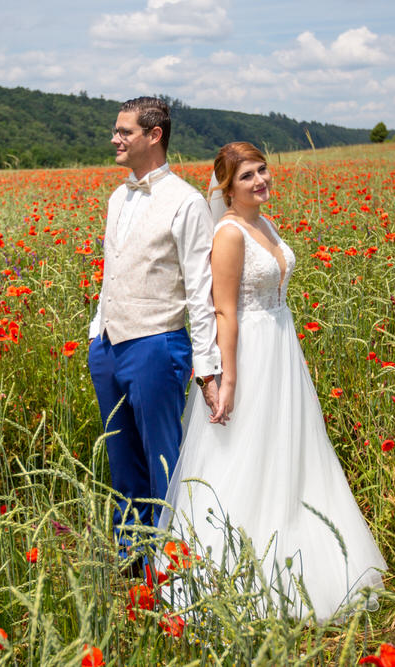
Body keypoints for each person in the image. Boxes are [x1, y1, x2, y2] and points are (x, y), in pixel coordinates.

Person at [158, 142, 386, 621]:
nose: (260, 180)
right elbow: (224, 310)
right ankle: (235, 573)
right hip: (249, 354)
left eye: (263, 170)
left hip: (282, 346)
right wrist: (230, 380)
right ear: (227, 186)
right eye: (247, 176)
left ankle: (301, 548)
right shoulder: (230, 233)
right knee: (245, 451)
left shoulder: (263, 222)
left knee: (292, 450)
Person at [88, 97, 222, 566]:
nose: (115, 139)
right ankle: (132, 561)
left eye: (124, 131)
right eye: (116, 131)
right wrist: (95, 334)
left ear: (154, 135)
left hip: (157, 345)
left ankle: (171, 570)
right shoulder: (116, 197)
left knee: (164, 462)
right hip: (107, 345)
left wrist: (207, 369)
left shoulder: (186, 202)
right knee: (122, 464)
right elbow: (112, 270)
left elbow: (201, 293)